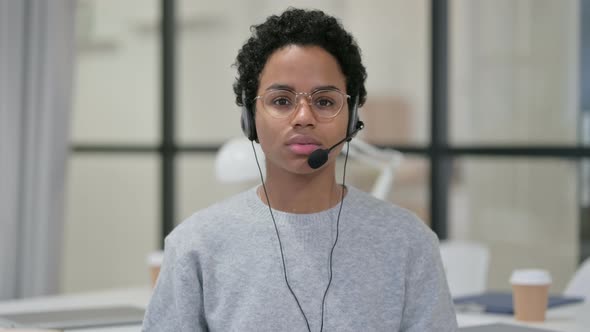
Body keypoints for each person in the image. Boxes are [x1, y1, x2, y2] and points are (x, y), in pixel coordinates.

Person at [142, 8, 457, 332]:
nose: (303, 116)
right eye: (281, 101)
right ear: (250, 117)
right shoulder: (196, 244)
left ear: (351, 118)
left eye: (324, 101)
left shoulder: (407, 241)